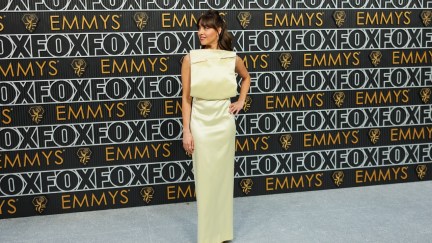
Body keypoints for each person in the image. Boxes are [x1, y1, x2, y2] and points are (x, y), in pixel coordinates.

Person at [181, 9, 251, 243]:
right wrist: (187, 130)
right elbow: (187, 98)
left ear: (218, 31)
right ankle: (208, 236)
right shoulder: (191, 59)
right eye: (199, 27)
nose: (201, 32)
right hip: (200, 123)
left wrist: (241, 101)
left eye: (206, 27)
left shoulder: (231, 58)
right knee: (204, 181)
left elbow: (246, 77)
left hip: (224, 124)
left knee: (222, 181)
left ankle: (222, 234)